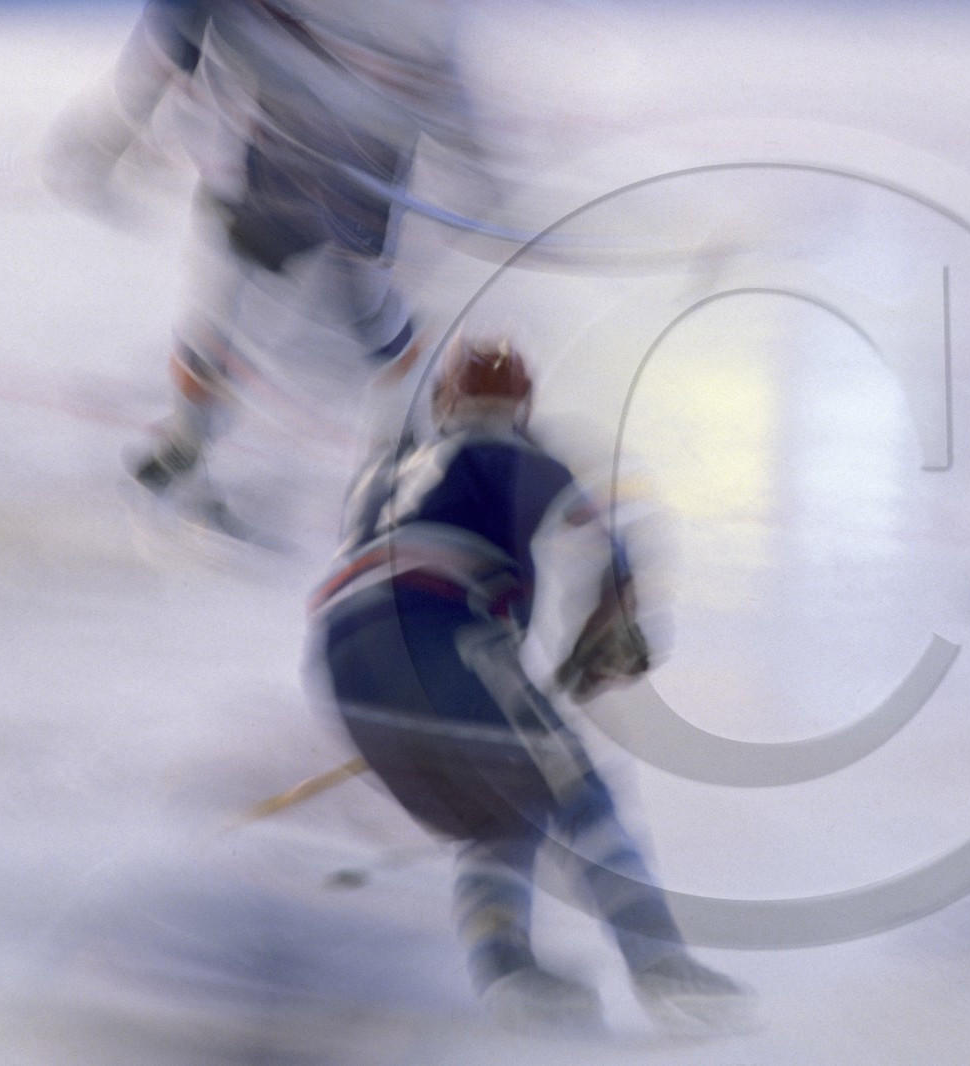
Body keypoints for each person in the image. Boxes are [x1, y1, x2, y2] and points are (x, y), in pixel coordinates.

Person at [307, 337, 756, 1035]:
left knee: (500, 805)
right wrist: (602, 644)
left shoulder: (384, 469)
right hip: (444, 638)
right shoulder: (521, 458)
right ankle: (660, 962)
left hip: (340, 662)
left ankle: (508, 970)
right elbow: (616, 562)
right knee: (577, 789)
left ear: (443, 403)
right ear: (523, 407)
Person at [47, 0, 490, 533]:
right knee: (332, 299)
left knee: (336, 300)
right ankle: (194, 446)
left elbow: (178, 36)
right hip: (311, 145)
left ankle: (398, 454)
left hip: (325, 146)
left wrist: (112, 137)